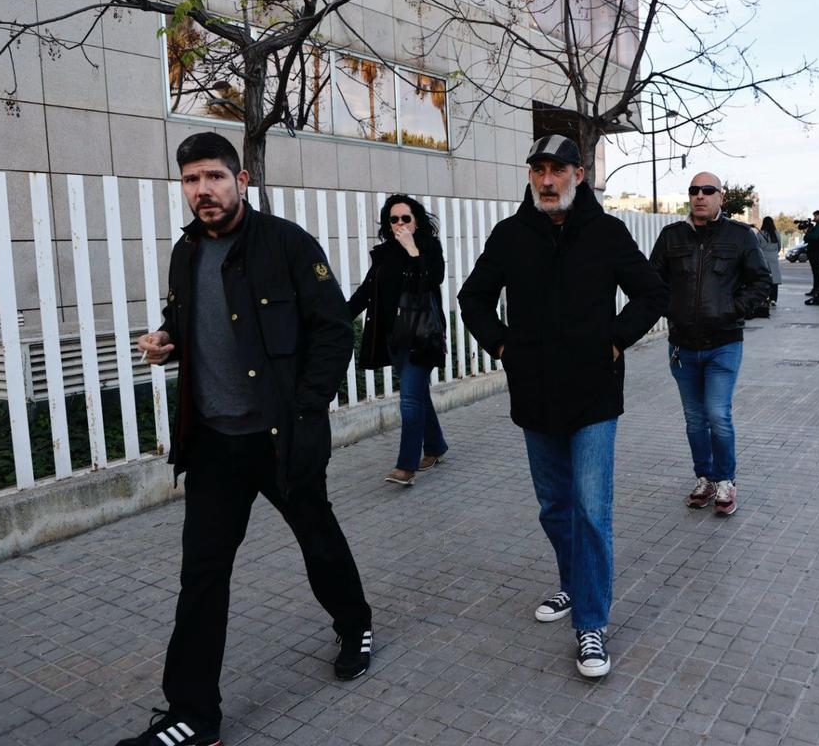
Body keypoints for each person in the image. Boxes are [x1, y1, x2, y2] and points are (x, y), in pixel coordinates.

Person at [124, 133, 372, 746]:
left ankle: (355, 623)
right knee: (202, 575)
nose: (202, 190)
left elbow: (335, 331)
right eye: (190, 180)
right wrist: (166, 339)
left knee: (317, 540)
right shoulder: (186, 253)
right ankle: (193, 716)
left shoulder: (287, 245)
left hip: (278, 438)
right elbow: (194, 323)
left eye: (213, 176)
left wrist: (307, 410)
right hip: (212, 443)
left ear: (242, 179)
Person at [457, 134, 667, 679]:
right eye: (538, 171)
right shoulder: (511, 235)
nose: (547, 181)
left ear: (579, 174)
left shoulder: (606, 232)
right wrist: (503, 347)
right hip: (535, 397)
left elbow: (651, 293)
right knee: (555, 507)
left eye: (558, 170)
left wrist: (615, 341)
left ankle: (592, 623)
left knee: (592, 510)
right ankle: (575, 584)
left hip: (594, 396)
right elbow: (472, 298)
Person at [649, 173, 771, 518]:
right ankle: (704, 477)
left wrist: (732, 309)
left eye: (707, 191)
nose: (699, 196)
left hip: (723, 344)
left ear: (721, 196)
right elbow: (650, 280)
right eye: (693, 191)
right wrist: (669, 309)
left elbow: (761, 281)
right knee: (693, 419)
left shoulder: (739, 236)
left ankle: (726, 481)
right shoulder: (672, 237)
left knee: (718, 414)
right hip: (682, 347)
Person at [348, 194, 448, 486]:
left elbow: (433, 281)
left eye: (406, 218)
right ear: (387, 223)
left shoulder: (428, 248)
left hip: (422, 336)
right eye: (394, 219)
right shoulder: (384, 255)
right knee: (416, 395)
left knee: (409, 400)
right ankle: (435, 446)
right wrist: (337, 318)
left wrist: (413, 250)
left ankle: (406, 467)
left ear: (416, 221)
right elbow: (367, 292)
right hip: (394, 338)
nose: (400, 224)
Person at [757, 215, 783, 312]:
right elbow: (779, 246)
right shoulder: (776, 233)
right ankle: (773, 299)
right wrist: (774, 252)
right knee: (774, 280)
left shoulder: (759, 233)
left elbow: (756, 246)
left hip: (763, 257)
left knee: (764, 279)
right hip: (774, 258)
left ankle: (765, 297)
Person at [803, 210, 819, 303]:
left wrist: (807, 233)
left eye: (815, 216)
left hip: (816, 251)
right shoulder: (816, 226)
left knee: (817, 271)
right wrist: (807, 234)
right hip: (812, 250)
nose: (814, 218)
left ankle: (818, 289)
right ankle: (815, 289)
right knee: (815, 271)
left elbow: (815, 236)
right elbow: (806, 239)